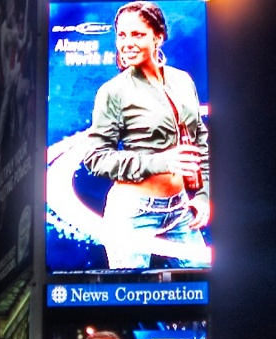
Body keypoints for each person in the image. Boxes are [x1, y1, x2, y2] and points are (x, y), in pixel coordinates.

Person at [49, 0, 211, 270]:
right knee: (132, 304)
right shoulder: (113, 92)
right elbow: (96, 158)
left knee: (202, 300)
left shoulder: (183, 81)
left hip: (180, 210)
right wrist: (162, 162)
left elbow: (199, 140)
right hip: (133, 212)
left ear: (158, 37)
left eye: (137, 34)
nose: (127, 43)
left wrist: (202, 194)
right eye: (122, 35)